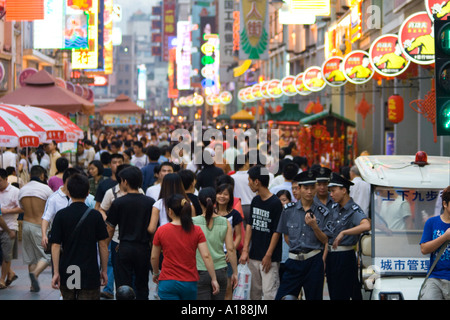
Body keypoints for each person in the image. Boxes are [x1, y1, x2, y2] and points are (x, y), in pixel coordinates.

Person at [50, 173, 109, 300]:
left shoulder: (61, 215)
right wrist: (104, 270)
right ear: (88, 192)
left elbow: (55, 245)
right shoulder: (95, 216)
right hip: (89, 270)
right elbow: (103, 245)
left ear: (69, 193)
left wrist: (56, 272)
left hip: (70, 269)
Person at [274, 170, 330, 300]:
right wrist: (298, 246)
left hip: (314, 261)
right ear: (299, 189)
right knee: (283, 297)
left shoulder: (323, 212)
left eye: (312, 188)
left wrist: (314, 226)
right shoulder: (288, 210)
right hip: (294, 261)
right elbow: (286, 236)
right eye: (306, 188)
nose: (309, 191)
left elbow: (325, 239)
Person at [151, 193, 219, 300]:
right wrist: (214, 278)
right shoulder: (196, 230)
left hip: (168, 281)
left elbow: (154, 257)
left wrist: (155, 273)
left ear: (170, 211)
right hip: (189, 282)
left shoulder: (161, 230)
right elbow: (206, 256)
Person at [106, 166, 155, 300]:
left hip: (124, 247)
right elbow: (153, 229)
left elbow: (110, 227)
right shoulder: (150, 202)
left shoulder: (119, 202)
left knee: (123, 285)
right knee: (142, 284)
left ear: (125, 182)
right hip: (143, 248)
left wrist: (105, 246)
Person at [239, 165, 283, 300]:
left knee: (269, 293)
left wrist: (268, 255)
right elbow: (250, 226)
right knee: (254, 293)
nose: (248, 183)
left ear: (256, 181)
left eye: (250, 180)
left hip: (269, 258)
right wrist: (246, 250)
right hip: (253, 255)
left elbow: (277, 231)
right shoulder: (255, 200)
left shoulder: (275, 203)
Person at [326, 172, 371, 300]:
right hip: (331, 256)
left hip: (344, 257)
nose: (331, 194)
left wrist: (344, 232)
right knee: (334, 293)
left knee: (346, 293)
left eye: (333, 191)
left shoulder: (353, 209)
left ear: (344, 190)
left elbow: (366, 225)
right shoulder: (333, 207)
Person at [193, 187, 237, 300]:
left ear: (199, 202)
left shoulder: (193, 222)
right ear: (215, 201)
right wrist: (235, 272)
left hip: (200, 270)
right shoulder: (224, 222)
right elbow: (231, 249)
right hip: (221, 270)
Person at [18, 165, 53, 292]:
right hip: (40, 226)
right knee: (47, 256)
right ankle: (35, 274)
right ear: (42, 175)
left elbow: (21, 207)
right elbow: (51, 207)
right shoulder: (46, 189)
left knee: (31, 257)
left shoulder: (23, 190)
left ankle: (33, 285)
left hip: (26, 224)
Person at [41, 168, 84, 254]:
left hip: (77, 240)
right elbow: (46, 218)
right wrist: (44, 235)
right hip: (59, 241)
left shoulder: (80, 195)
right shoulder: (54, 198)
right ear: (67, 180)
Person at [420, 186, 450, 300]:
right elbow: (424, 249)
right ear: (445, 204)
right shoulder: (432, 222)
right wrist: (445, 237)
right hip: (435, 277)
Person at [215, 183, 242, 299]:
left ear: (230, 196)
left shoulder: (235, 214)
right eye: (220, 193)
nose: (222, 196)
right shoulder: (211, 212)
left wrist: (231, 250)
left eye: (225, 194)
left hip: (227, 255)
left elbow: (239, 235)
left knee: (227, 287)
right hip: (212, 253)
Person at [0, 169, 21, 289]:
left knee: (6, 256)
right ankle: (11, 273)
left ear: (6, 179)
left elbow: (22, 208)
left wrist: (8, 211)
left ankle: (2, 279)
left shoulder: (15, 192)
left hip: (10, 226)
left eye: (0, 181)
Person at [230, 153, 255, 225]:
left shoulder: (232, 178)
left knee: (241, 232)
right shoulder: (252, 177)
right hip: (252, 205)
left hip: (238, 207)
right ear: (246, 163)